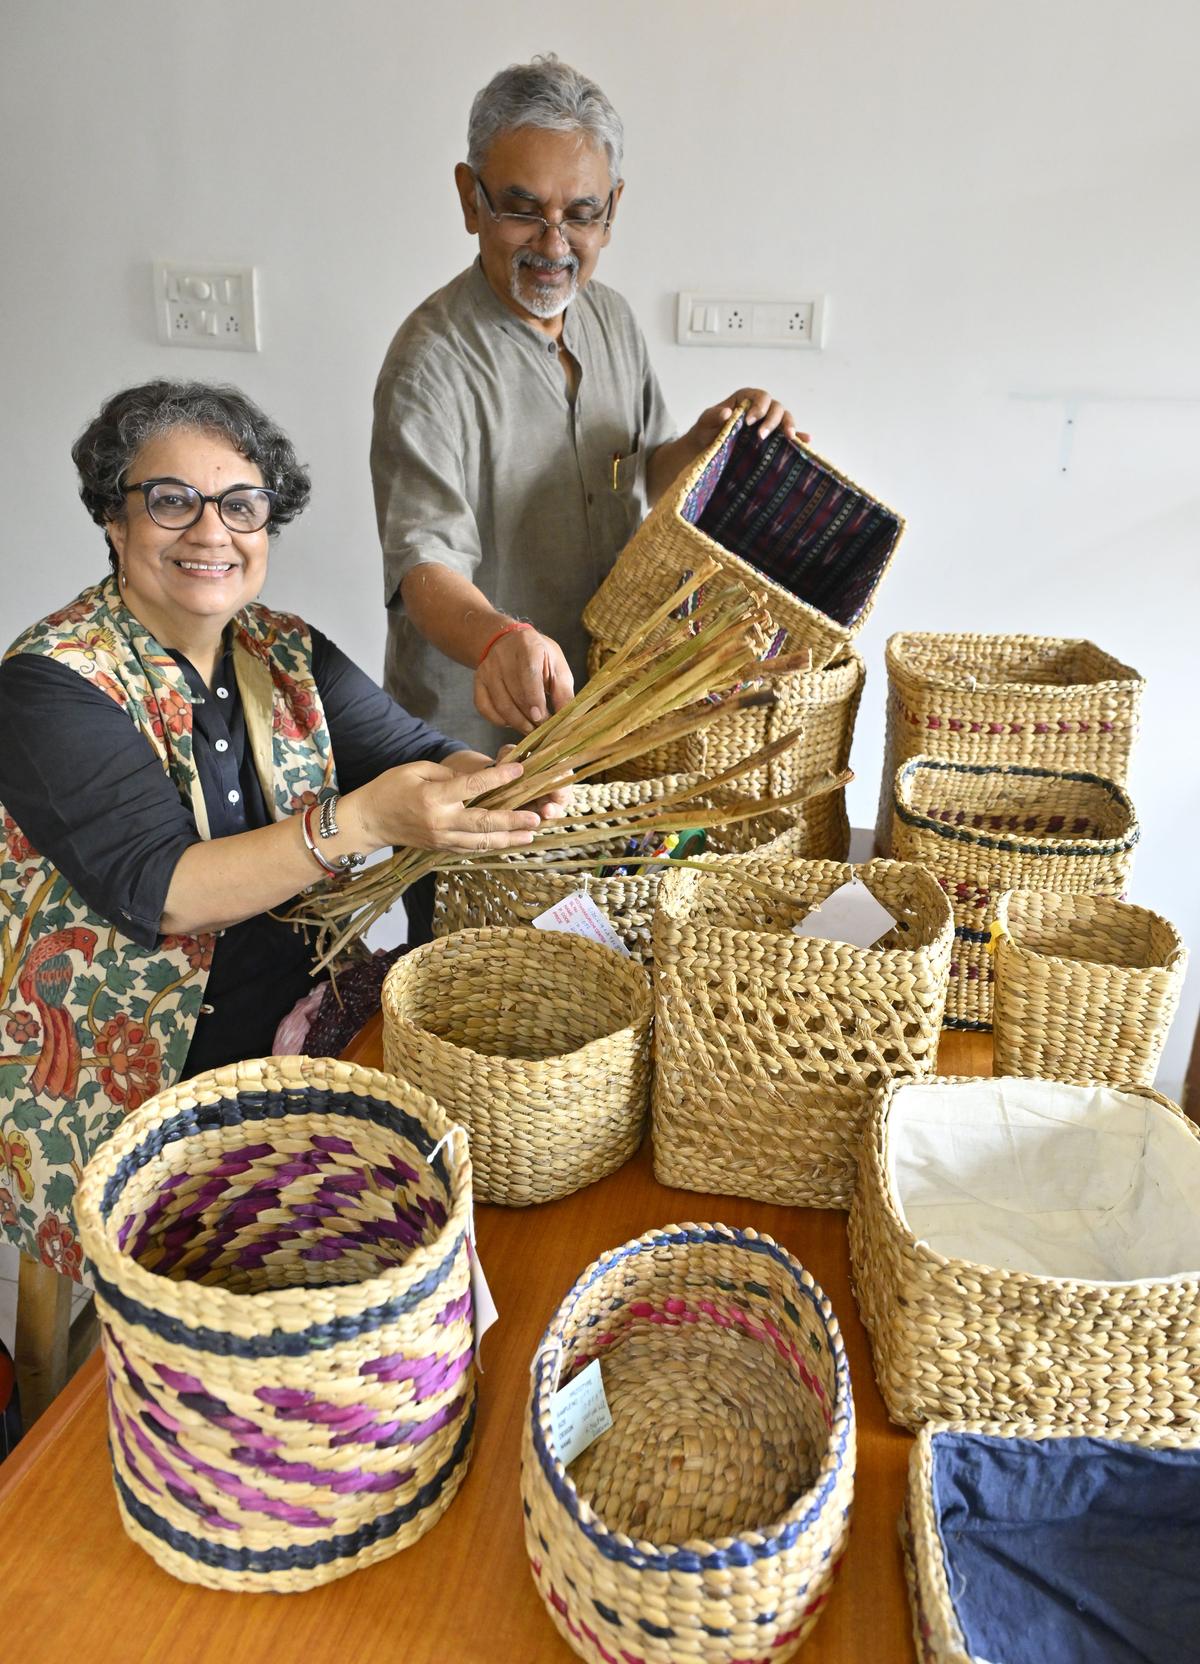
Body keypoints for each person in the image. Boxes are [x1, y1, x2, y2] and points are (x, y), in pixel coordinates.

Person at [0, 379, 557, 1276]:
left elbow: (411, 748)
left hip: (298, 1030)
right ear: (115, 518)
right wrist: (358, 819)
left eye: (240, 505)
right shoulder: (51, 683)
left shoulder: (284, 648)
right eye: (172, 501)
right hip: (133, 1080)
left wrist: (504, 781)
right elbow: (168, 891)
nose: (211, 531)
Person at [371, 52, 805, 760]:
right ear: (468, 198)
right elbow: (425, 571)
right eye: (521, 208)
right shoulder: (432, 360)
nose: (553, 244)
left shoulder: (610, 320)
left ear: (613, 212)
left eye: (580, 214)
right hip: (481, 735)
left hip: (608, 705)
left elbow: (644, 481)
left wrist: (706, 443)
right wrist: (501, 641)